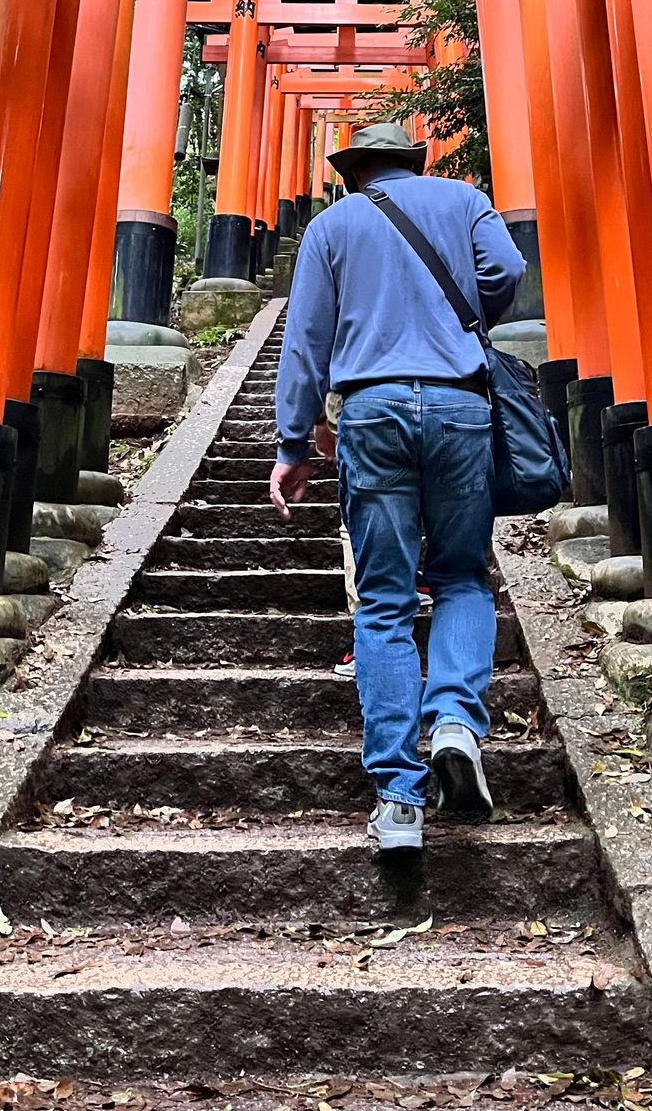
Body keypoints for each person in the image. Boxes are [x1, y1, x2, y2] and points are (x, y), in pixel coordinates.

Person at [271, 121, 526, 852]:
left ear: (354, 171)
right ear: (413, 162)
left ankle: (399, 800)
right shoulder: (464, 200)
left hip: (371, 408)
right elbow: (507, 270)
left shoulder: (333, 225)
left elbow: (307, 339)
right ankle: (455, 724)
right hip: (459, 405)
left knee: (383, 599)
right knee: (462, 578)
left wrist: (294, 443)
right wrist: (462, 321)